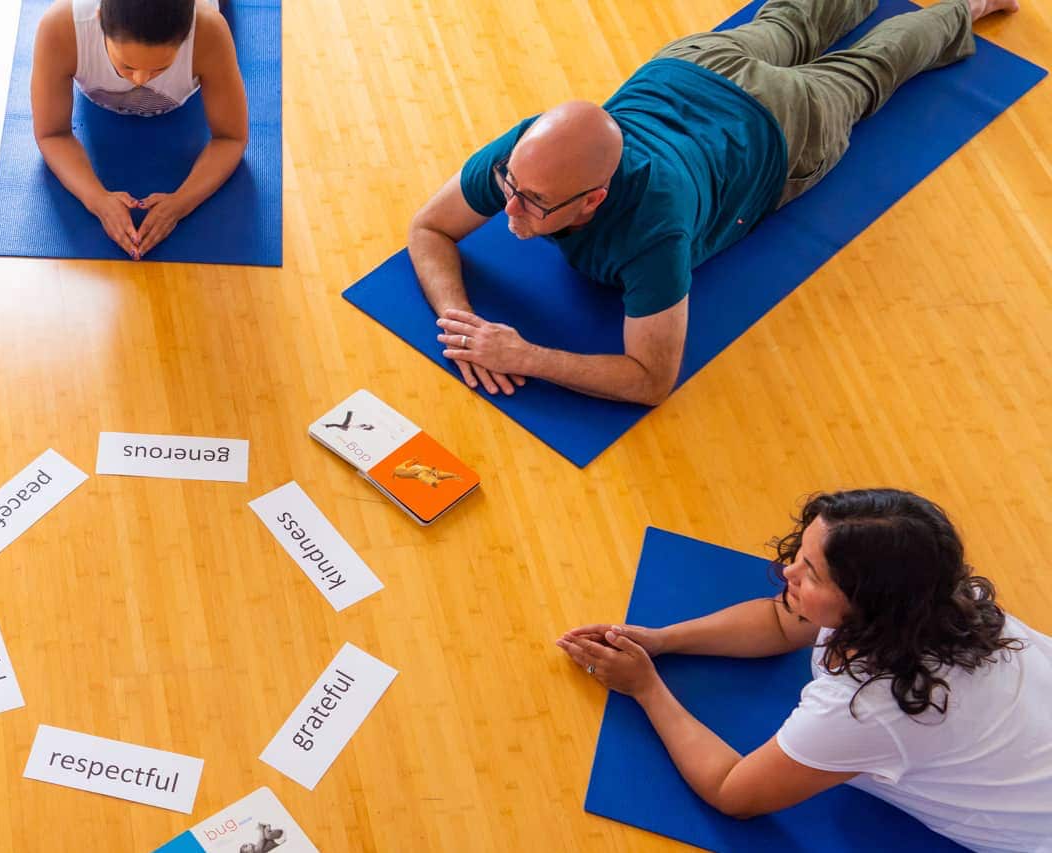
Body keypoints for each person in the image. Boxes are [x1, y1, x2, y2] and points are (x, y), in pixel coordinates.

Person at [405, 0, 1019, 405]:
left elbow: (651, 378)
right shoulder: (528, 155)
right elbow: (429, 227)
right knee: (791, 17)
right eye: (509, 188)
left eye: (534, 204)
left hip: (783, 124)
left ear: (594, 199)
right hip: (694, 68)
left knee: (869, 69)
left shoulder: (654, 229)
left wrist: (524, 356)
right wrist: (463, 322)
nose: (508, 211)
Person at [558, 490, 1052, 851]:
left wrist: (645, 686)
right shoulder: (945, 600)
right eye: (803, 554)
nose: (789, 572)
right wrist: (663, 640)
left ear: (867, 604)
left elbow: (734, 791)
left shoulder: (869, 708)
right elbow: (780, 620)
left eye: (811, 572)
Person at [30, 0, 249, 259]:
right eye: (128, 66)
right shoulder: (60, 29)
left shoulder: (209, 32)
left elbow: (231, 138)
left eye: (160, 68)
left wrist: (180, 204)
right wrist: (97, 200)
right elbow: (52, 133)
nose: (141, 80)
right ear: (100, 21)